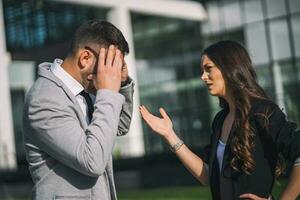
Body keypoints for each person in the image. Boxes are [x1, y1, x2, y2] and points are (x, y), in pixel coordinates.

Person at [140, 40, 300, 200]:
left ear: (230, 68)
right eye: (202, 70)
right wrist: (169, 135)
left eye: (208, 69)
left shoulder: (264, 111)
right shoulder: (220, 120)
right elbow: (208, 175)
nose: (203, 77)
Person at [23, 20, 134, 200]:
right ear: (85, 58)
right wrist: (107, 92)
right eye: (108, 64)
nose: (111, 72)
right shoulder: (44, 100)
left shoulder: (89, 88)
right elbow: (93, 161)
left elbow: (119, 126)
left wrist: (120, 84)